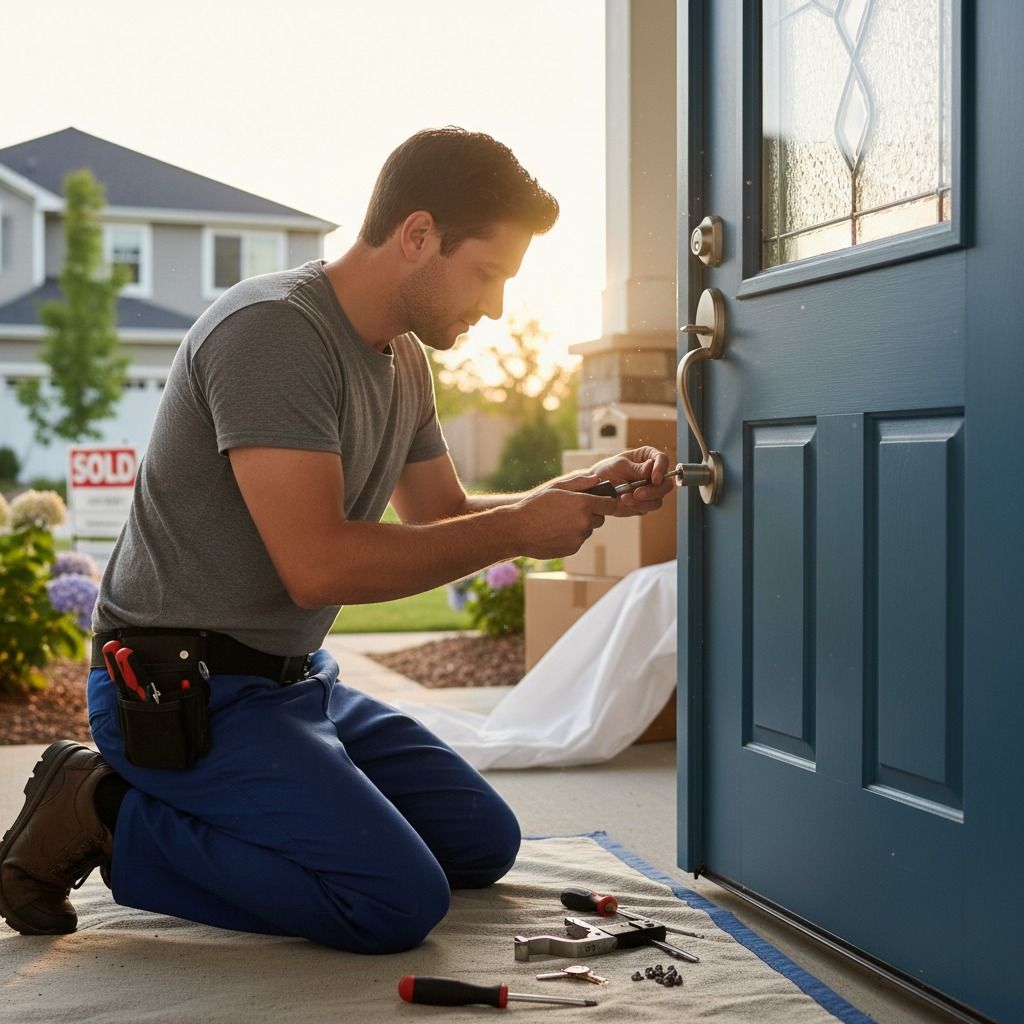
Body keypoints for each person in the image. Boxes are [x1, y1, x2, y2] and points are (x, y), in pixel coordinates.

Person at [0, 127, 674, 952]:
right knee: (394, 902)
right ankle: (102, 810)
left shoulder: (404, 362)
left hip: (291, 687)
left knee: (479, 842)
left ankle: (224, 804)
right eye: (488, 274)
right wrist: (520, 530)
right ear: (418, 235)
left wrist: (566, 496)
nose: (495, 306)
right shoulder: (273, 333)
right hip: (180, 692)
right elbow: (316, 566)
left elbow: (438, 511)